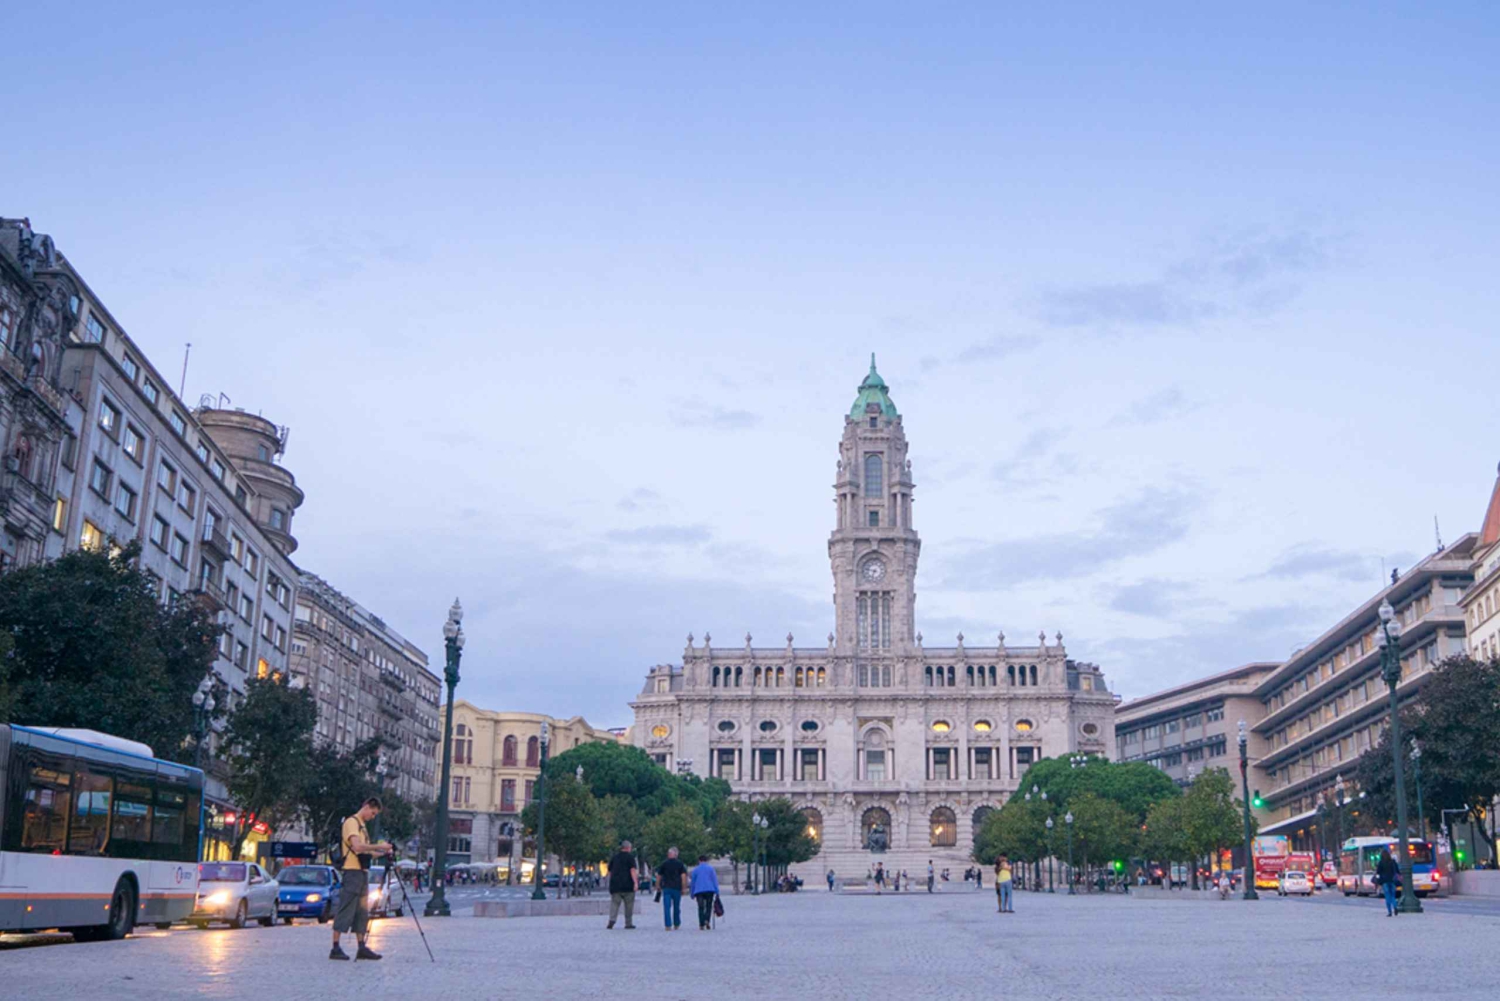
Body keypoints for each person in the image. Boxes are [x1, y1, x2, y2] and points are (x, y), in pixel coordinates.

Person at [330, 796, 392, 961]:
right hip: (352, 872)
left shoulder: (362, 826)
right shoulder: (352, 822)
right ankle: (335, 947)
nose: (372, 817)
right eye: (372, 813)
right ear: (366, 806)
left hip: (362, 872)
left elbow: (366, 851)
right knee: (347, 908)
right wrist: (379, 846)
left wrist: (382, 853)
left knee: (361, 911)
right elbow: (357, 847)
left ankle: (361, 946)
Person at [606, 839, 639, 929]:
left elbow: (610, 871)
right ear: (628, 848)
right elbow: (632, 870)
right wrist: (635, 883)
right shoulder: (630, 858)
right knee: (629, 905)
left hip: (615, 885)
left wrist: (611, 882)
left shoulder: (614, 857)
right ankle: (628, 923)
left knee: (614, 904)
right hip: (628, 885)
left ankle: (612, 920)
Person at [657, 847, 688, 931]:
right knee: (676, 906)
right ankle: (676, 923)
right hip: (676, 888)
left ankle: (668, 925)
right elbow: (683, 876)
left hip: (666, 887)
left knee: (666, 907)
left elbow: (659, 875)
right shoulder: (680, 864)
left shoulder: (664, 863)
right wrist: (684, 887)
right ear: (676, 854)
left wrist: (658, 886)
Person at [690, 854, 720, 930]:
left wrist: (692, 893)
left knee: (700, 907)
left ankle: (701, 923)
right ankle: (707, 920)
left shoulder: (695, 870)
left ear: (699, 861)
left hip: (699, 891)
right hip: (710, 890)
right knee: (708, 906)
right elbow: (714, 880)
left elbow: (693, 882)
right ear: (706, 860)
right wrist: (717, 891)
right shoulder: (711, 869)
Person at [1375, 847, 1400, 917]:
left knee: (1387, 896)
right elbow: (1397, 871)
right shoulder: (1393, 862)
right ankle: (1395, 906)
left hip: (1384, 881)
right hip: (1392, 881)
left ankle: (1389, 912)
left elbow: (1378, 872)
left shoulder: (1381, 862)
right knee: (1393, 896)